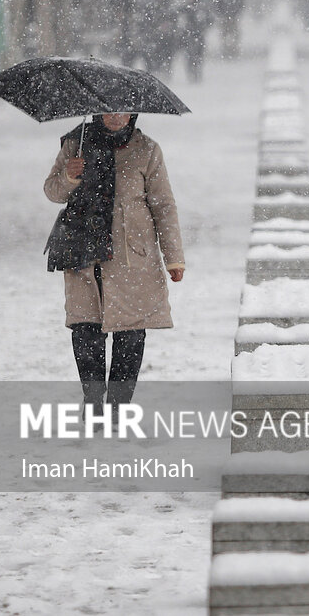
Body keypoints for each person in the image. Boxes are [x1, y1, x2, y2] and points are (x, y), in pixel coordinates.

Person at [43, 113, 185, 417]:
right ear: (97, 111)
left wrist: (174, 255)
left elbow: (163, 205)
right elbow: (53, 192)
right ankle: (93, 404)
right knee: (85, 329)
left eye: (123, 110)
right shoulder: (76, 143)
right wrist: (68, 176)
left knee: (131, 332)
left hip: (132, 255)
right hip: (83, 250)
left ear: (133, 113)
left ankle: (119, 409)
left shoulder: (147, 149)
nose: (117, 116)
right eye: (110, 109)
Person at [176, 0, 210, 84]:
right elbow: (178, 16)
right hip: (189, 35)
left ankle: (197, 74)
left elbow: (209, 20)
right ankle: (191, 74)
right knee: (189, 56)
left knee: (198, 56)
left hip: (198, 35)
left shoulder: (201, 8)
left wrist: (202, 27)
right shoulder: (186, 7)